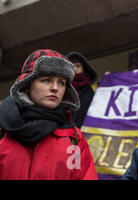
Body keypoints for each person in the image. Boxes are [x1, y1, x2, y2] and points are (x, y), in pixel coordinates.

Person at [0, 49, 98, 180]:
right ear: (27, 85)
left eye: (61, 83)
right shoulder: (2, 130)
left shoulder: (74, 138)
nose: (55, 88)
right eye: (47, 80)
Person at [66, 51, 98, 128]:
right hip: (66, 133)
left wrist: (108, 81)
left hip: (88, 131)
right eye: (71, 66)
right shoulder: (61, 88)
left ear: (84, 69)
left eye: (78, 66)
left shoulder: (94, 88)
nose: (75, 69)